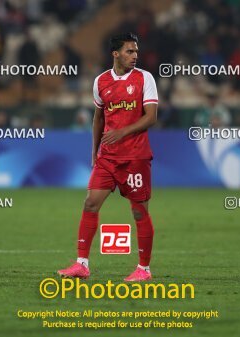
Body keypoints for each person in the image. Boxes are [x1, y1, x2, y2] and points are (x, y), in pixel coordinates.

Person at [58, 33, 158, 281]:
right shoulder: (101, 81)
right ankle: (82, 264)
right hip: (108, 158)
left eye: (136, 51)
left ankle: (143, 269)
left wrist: (122, 132)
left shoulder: (145, 78)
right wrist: (94, 151)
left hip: (135, 157)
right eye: (129, 51)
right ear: (115, 54)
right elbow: (98, 118)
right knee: (90, 202)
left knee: (138, 212)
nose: (135, 56)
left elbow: (151, 116)